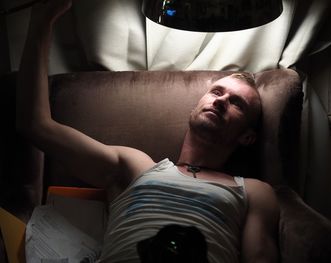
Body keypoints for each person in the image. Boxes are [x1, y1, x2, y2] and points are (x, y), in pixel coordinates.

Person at [16, 0, 280, 262]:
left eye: (237, 103)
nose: (221, 101)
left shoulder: (254, 192)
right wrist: (41, 22)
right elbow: (36, 125)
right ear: (194, 108)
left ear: (247, 136)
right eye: (216, 92)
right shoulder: (135, 167)